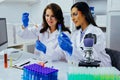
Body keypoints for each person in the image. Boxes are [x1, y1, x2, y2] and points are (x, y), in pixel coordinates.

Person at [58, 2, 111, 66]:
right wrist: (67, 49)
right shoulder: (76, 34)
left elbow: (92, 56)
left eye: (75, 14)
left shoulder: (96, 32)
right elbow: (72, 58)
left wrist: (71, 49)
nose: (72, 18)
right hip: (84, 68)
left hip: (102, 68)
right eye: (71, 15)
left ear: (84, 14)